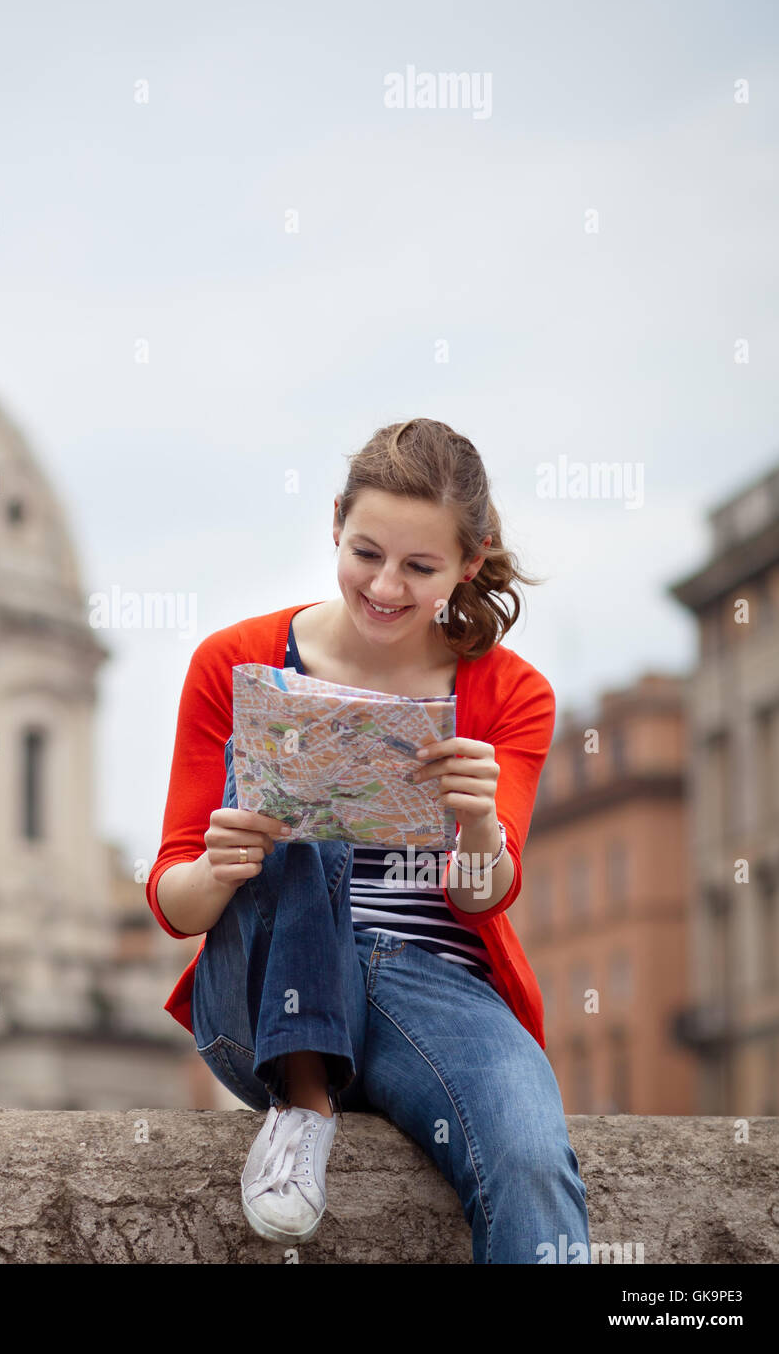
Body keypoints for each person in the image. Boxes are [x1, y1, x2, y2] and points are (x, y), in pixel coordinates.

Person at [145, 417, 590, 1262]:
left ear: (468, 562)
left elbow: (485, 892)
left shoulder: (512, 693)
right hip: (262, 997)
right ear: (336, 524)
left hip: (433, 985)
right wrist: (219, 866)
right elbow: (172, 898)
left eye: (419, 567)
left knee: (532, 1158)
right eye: (365, 553)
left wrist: (481, 822)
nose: (385, 586)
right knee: (308, 751)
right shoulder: (232, 660)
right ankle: (303, 1102)